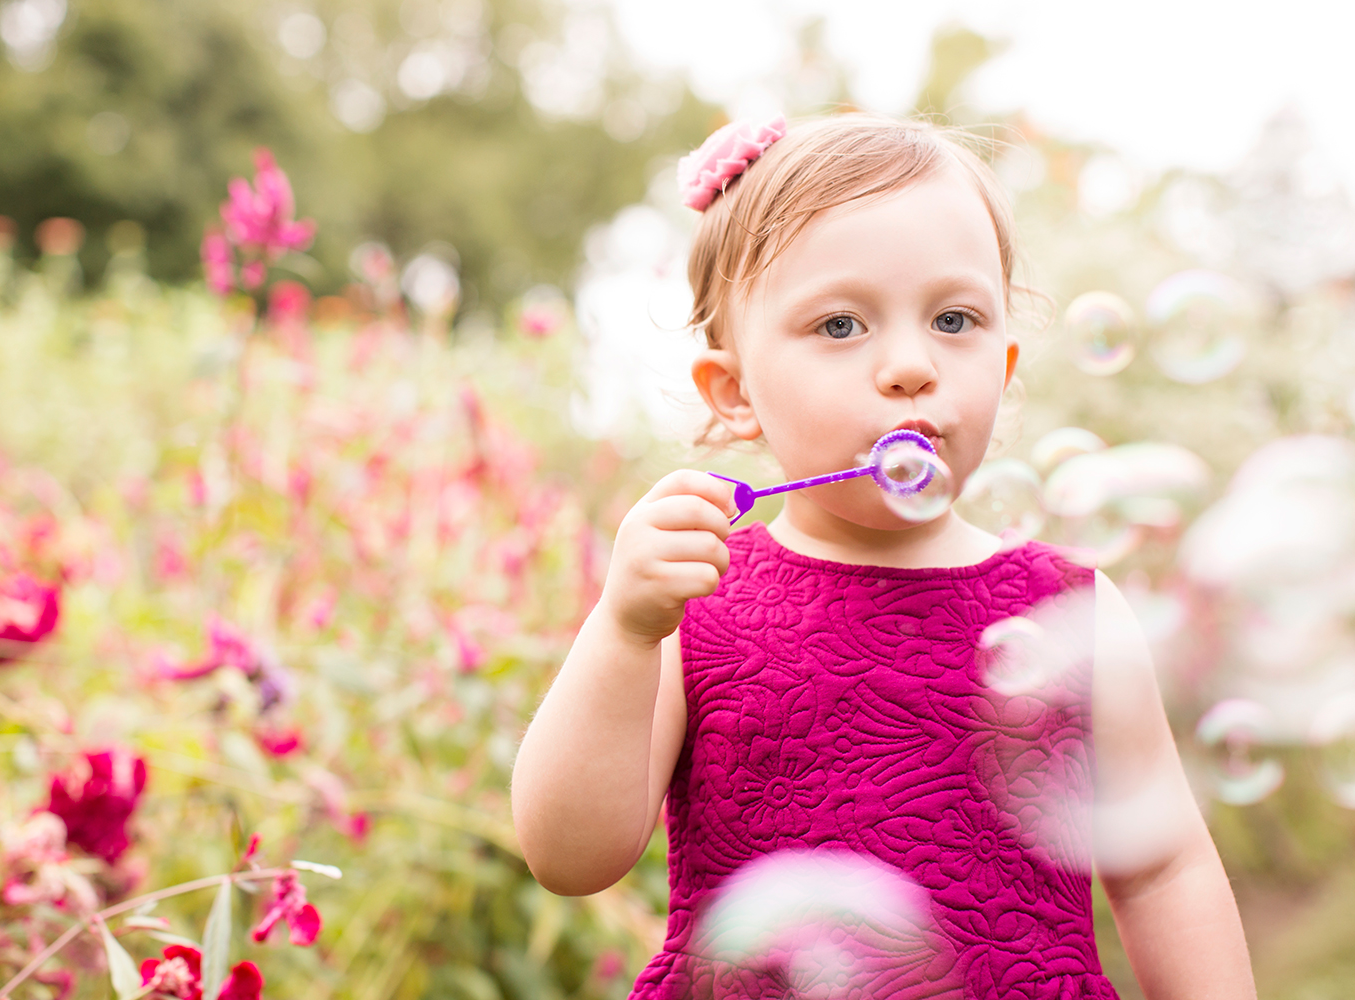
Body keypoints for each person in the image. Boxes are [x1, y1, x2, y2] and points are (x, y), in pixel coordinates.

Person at [510, 113, 1256, 999]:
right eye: (839, 325)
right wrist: (624, 632)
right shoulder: (695, 605)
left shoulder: (1071, 610)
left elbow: (1162, 867)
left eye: (953, 318)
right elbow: (568, 856)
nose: (910, 365)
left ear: (1005, 366)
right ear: (736, 390)